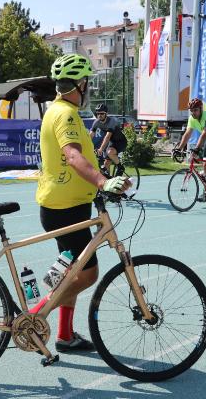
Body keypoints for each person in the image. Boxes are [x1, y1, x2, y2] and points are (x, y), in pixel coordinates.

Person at [33, 54, 131, 352]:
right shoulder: (66, 115)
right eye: (86, 82)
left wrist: (100, 184)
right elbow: (73, 155)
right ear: (79, 84)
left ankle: (64, 335)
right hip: (65, 209)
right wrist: (103, 181)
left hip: (65, 204)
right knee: (87, 274)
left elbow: (80, 158)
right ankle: (35, 317)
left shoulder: (57, 109)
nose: (88, 88)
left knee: (71, 272)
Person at [89, 103, 128, 175]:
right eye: (98, 114)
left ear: (106, 114)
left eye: (102, 113)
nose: (99, 115)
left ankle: (120, 167)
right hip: (111, 142)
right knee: (106, 165)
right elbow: (91, 135)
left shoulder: (111, 122)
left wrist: (100, 149)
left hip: (120, 142)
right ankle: (109, 181)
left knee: (109, 152)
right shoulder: (96, 122)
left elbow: (107, 137)